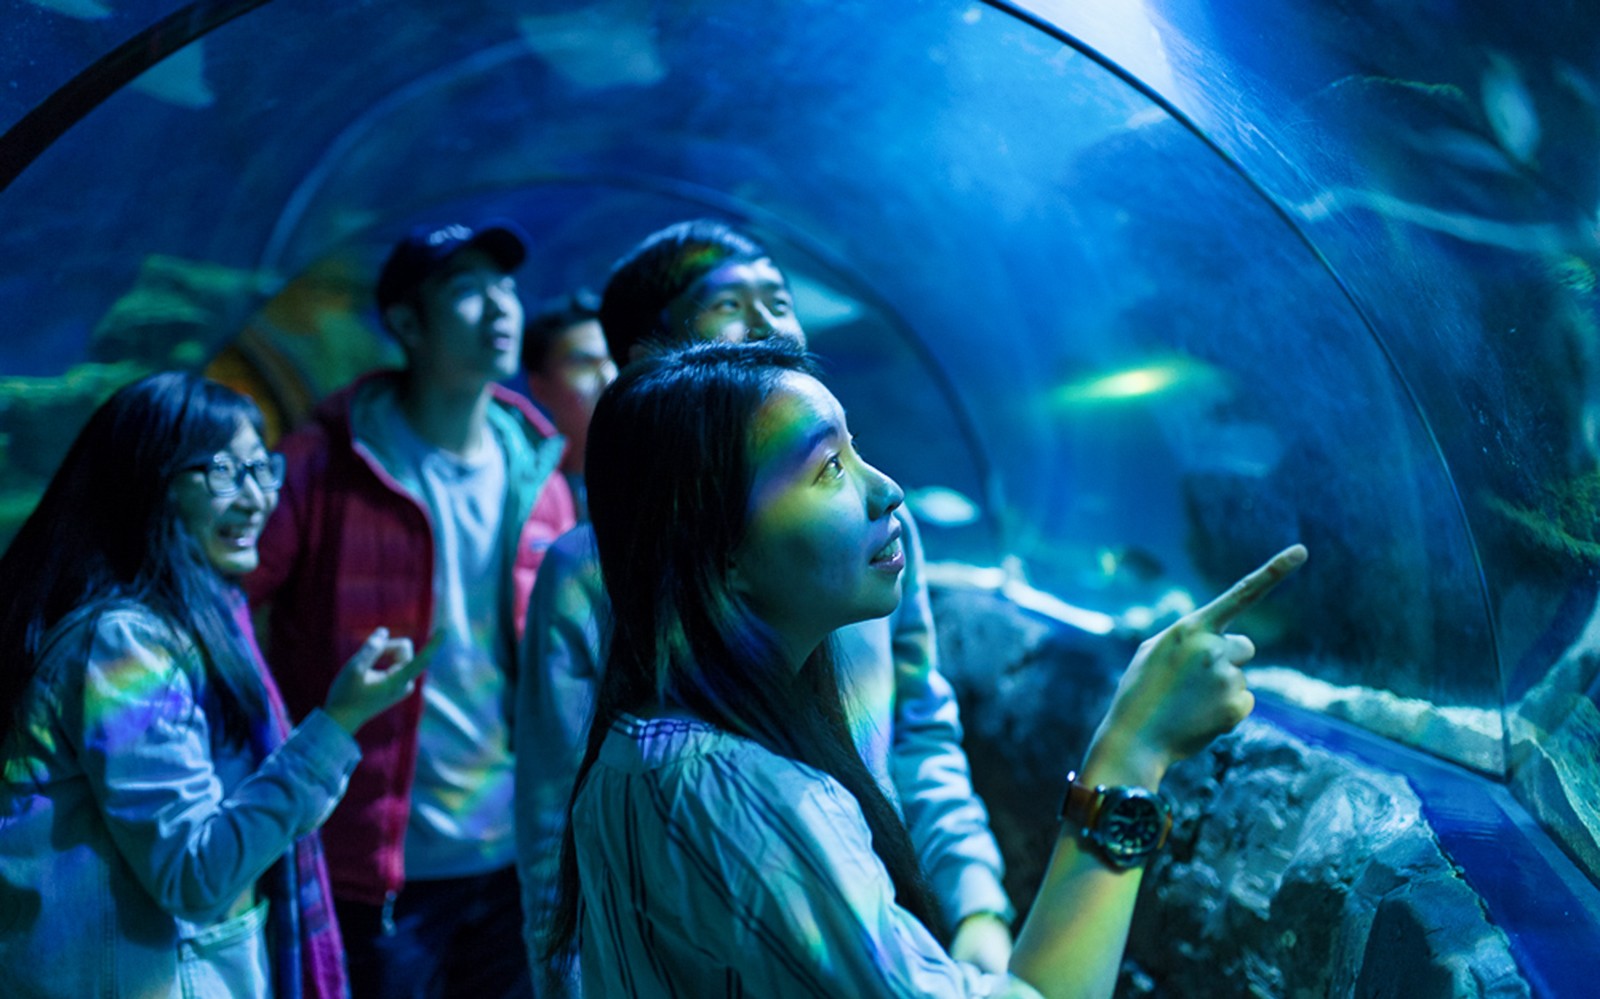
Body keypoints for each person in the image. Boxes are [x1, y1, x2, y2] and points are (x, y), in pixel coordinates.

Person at [545, 339, 1306, 997]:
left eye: (858, 449)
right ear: (722, 552)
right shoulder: (746, 798)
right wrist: (1134, 751)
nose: (888, 489)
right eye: (828, 468)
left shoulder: (636, 755)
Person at [515, 220, 1014, 979]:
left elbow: (919, 723)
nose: (770, 323)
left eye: (779, 298)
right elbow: (561, 819)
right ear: (655, 363)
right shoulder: (591, 575)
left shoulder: (870, 536)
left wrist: (975, 901)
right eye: (728, 306)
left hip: (869, 933)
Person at [0, 371, 422, 998]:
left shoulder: (204, 620)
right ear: (147, 481)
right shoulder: (124, 644)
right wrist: (335, 726)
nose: (256, 498)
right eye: (223, 473)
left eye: (262, 469)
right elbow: (195, 875)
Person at [246, 220, 576, 998]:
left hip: (515, 855)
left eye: (505, 286)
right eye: (466, 289)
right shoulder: (323, 467)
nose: (500, 307)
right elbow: (228, 607)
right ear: (404, 323)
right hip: (372, 862)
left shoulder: (542, 474)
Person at [520, 289, 618, 521]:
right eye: (584, 364)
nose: (610, 378)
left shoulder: (666, 466)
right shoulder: (525, 493)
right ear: (539, 388)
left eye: (613, 358)